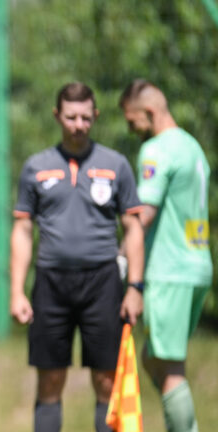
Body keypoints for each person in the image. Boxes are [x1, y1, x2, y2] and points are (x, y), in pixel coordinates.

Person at [9, 82, 145, 432]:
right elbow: (23, 231)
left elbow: (133, 228)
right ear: (57, 116)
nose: (79, 124)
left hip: (102, 283)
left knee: (105, 381)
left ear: (95, 116)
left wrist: (135, 287)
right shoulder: (35, 167)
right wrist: (16, 291)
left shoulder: (115, 164)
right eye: (71, 117)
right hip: (51, 284)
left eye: (86, 117)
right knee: (50, 381)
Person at [119, 79, 212, 432]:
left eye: (133, 121)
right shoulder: (191, 146)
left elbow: (142, 214)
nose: (132, 129)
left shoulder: (157, 149)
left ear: (150, 112)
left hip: (168, 269)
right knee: (154, 359)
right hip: (197, 265)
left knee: (170, 368)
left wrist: (122, 259)